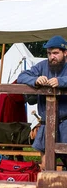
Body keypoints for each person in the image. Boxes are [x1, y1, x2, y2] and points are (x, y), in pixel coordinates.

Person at [16, 35, 67, 166]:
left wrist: (61, 81)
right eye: (49, 53)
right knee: (46, 165)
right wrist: (35, 80)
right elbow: (22, 76)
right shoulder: (42, 66)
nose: (52, 57)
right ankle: (48, 187)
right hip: (47, 124)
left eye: (55, 53)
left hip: (66, 124)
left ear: (65, 52)